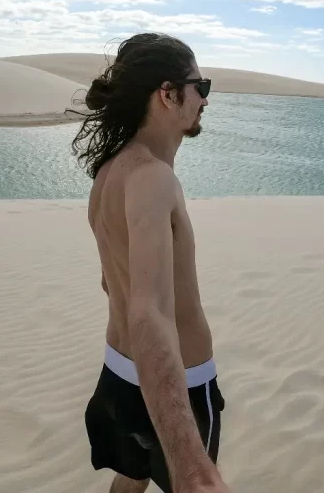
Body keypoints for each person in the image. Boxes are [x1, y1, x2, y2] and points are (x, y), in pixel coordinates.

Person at [70, 33, 229, 493]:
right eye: (202, 86)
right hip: (177, 384)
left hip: (119, 375)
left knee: (131, 476)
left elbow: (110, 282)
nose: (205, 99)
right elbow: (149, 312)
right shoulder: (153, 178)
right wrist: (193, 469)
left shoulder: (109, 174)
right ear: (168, 94)